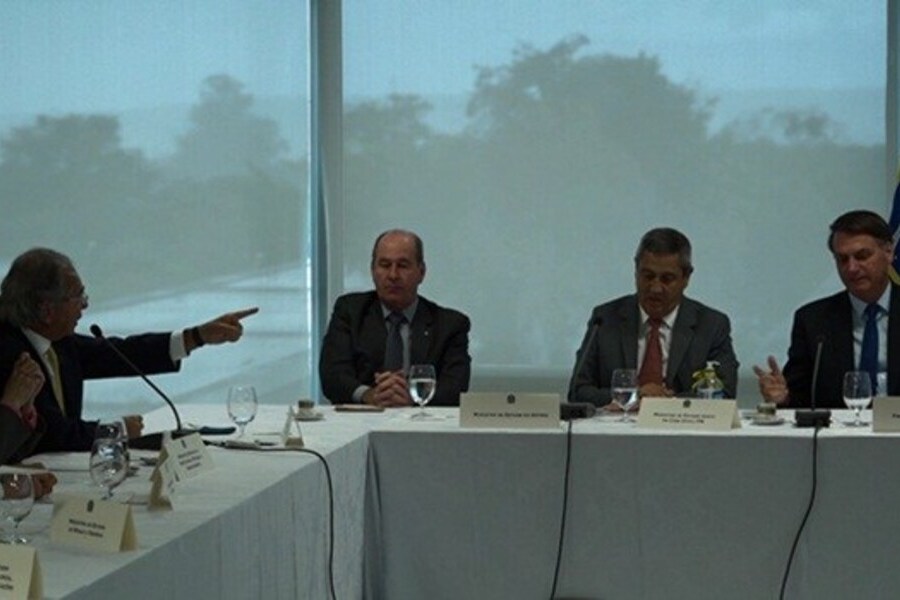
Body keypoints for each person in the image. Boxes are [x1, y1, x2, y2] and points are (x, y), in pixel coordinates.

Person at [0, 247, 259, 454]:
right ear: (46, 310)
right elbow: (52, 435)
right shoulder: (8, 353)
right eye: (78, 296)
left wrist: (198, 336)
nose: (85, 305)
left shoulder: (58, 341)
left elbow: (121, 354)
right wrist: (117, 430)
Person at [568, 227, 739, 407]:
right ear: (636, 271)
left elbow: (725, 393)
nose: (655, 288)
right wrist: (635, 396)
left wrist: (664, 404)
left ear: (686, 278)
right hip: (618, 429)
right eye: (648, 276)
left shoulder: (711, 325)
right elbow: (577, 391)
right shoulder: (605, 319)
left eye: (667, 279)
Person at [754, 210, 899, 409]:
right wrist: (783, 398)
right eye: (843, 259)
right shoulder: (814, 320)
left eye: (862, 256)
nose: (852, 268)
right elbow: (801, 397)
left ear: (889, 252)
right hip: (837, 436)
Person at [319, 229, 471, 407]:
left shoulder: (450, 325)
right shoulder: (350, 312)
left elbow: (456, 387)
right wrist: (369, 394)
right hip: (361, 423)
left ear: (421, 272)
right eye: (384, 265)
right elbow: (332, 376)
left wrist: (412, 398)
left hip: (422, 426)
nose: (393, 275)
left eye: (403, 265)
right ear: (373, 270)